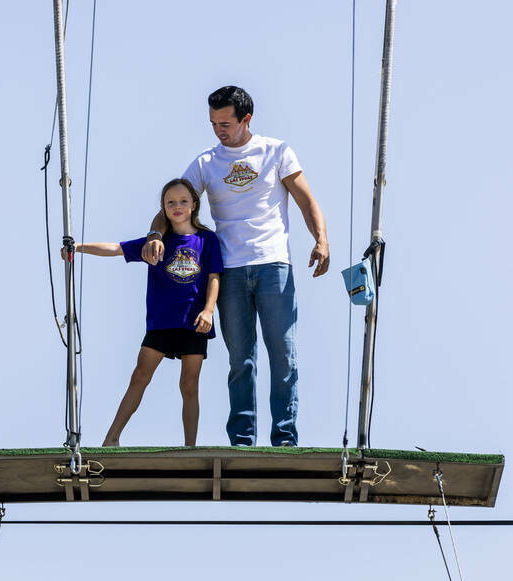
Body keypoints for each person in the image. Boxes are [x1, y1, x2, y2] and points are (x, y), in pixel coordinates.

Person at [142, 86, 329, 447]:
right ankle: (242, 440)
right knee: (241, 360)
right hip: (228, 271)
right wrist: (155, 234)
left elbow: (307, 200)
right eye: (213, 123)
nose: (219, 130)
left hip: (274, 265)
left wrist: (321, 239)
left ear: (246, 119)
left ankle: (285, 439)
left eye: (225, 123)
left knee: (283, 354)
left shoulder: (276, 151)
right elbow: (174, 203)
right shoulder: (205, 163)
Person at [64, 178, 224, 447]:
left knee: (189, 384)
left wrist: (209, 311)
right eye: (170, 202)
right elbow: (116, 248)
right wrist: (78, 248)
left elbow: (214, 277)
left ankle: (190, 448)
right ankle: (111, 438)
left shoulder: (207, 240)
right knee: (140, 375)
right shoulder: (155, 244)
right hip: (161, 322)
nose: (177, 206)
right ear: (162, 207)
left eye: (183, 201)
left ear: (194, 205)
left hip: (194, 323)